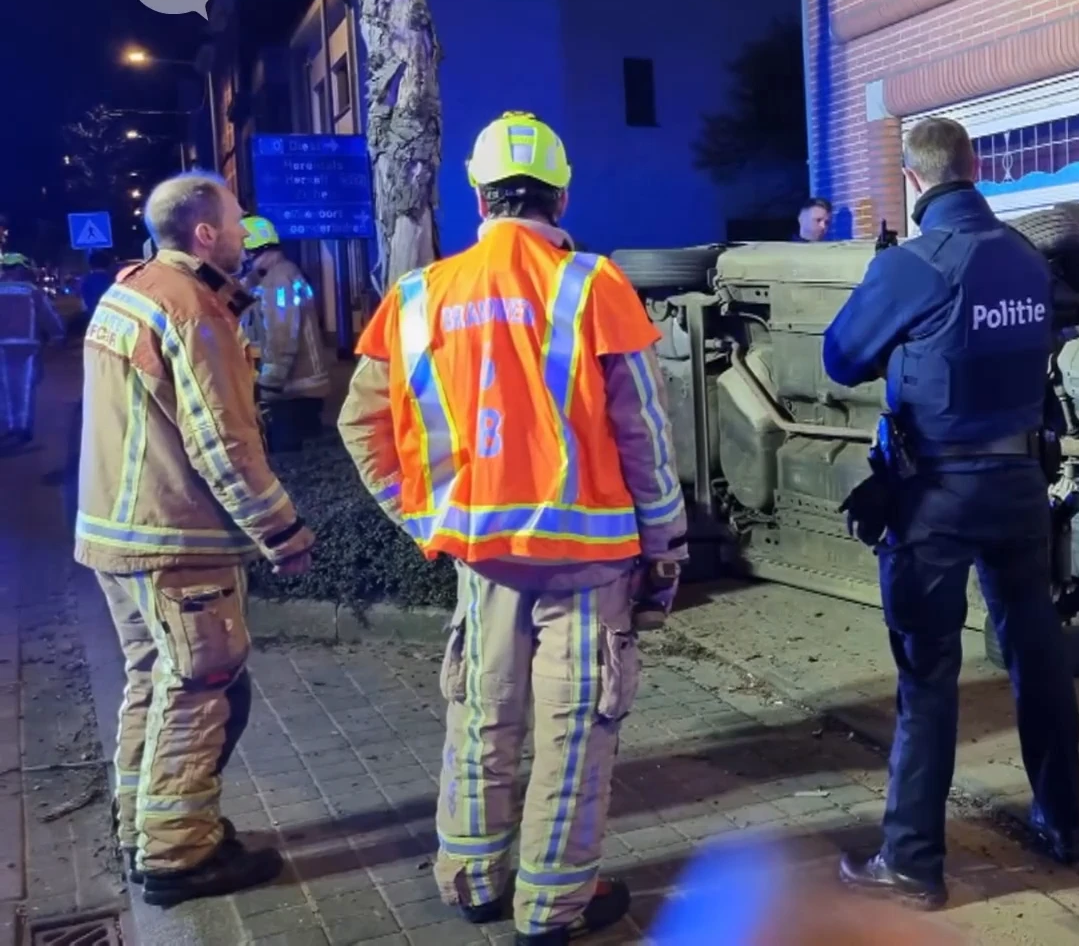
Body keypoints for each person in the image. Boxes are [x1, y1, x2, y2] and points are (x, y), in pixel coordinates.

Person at [337, 110, 688, 946]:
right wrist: (667, 547)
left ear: (479, 196)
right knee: (573, 736)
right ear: (561, 196)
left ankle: (469, 880)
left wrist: (424, 516)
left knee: (482, 719)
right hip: (589, 562)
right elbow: (645, 431)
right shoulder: (595, 284)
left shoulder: (418, 294)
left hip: (482, 562)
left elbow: (363, 424)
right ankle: (551, 909)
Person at [821, 116, 1079, 910]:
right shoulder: (1023, 258)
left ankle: (912, 863)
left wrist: (883, 289)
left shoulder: (916, 262)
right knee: (1038, 661)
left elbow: (841, 358)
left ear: (914, 179)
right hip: (1018, 489)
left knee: (928, 677)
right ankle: (1064, 827)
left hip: (934, 495)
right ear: (975, 169)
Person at [75, 171, 314, 907]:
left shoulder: (131, 291)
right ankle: (179, 856)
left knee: (152, 682)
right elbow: (223, 444)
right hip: (177, 540)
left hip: (117, 535)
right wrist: (283, 530)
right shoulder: (192, 309)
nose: (246, 232)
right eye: (237, 220)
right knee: (203, 692)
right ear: (205, 232)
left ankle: (143, 826)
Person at [238, 215, 332, 450]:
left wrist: (269, 382)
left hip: (293, 388)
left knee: (288, 453)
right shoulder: (283, 273)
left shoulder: (278, 281)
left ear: (254, 251)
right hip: (303, 388)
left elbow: (281, 333)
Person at [0, 252, 65, 444]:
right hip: (25, 346)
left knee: (3, 388)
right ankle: (21, 428)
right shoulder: (31, 291)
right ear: (20, 269)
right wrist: (58, 335)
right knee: (23, 387)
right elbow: (48, 316)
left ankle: (7, 426)